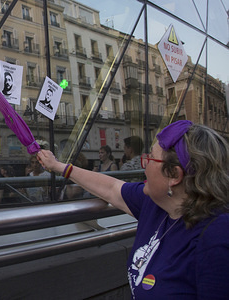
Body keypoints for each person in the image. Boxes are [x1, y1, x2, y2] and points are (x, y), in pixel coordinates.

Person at [36, 120, 228, 299]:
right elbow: (111, 189)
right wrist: (58, 166)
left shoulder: (216, 240)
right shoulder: (155, 204)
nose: (144, 165)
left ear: (173, 175)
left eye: (151, 158)